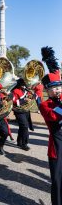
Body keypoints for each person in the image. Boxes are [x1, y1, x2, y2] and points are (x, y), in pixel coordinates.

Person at [38, 46, 62, 205]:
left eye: (59, 87)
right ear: (47, 90)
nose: (58, 90)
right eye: (54, 88)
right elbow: (55, 115)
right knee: (58, 182)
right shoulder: (46, 105)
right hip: (57, 148)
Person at [11, 78, 34, 151]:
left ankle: (19, 141)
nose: (24, 86)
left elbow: (31, 97)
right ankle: (24, 144)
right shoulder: (15, 90)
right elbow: (13, 101)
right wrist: (24, 100)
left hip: (26, 110)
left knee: (22, 127)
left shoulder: (26, 90)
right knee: (25, 126)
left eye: (24, 85)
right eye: (23, 85)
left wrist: (32, 95)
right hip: (18, 111)